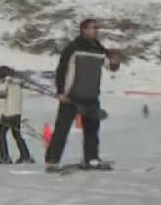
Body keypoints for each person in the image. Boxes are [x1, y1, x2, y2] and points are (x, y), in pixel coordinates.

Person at [44, 19, 121, 170]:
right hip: (71, 96)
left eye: (96, 28)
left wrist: (115, 61)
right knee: (62, 129)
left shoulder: (99, 49)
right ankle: (52, 161)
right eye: (92, 28)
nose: (95, 30)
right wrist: (61, 92)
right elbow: (61, 70)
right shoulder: (73, 48)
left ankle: (91, 159)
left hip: (91, 96)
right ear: (83, 30)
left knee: (92, 130)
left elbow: (110, 66)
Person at [0, 66, 34, 164]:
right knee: (17, 135)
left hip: (7, 115)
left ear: (2, 74)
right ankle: (25, 156)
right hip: (17, 114)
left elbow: (2, 102)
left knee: (1, 136)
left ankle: (5, 157)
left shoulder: (3, 84)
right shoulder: (16, 84)